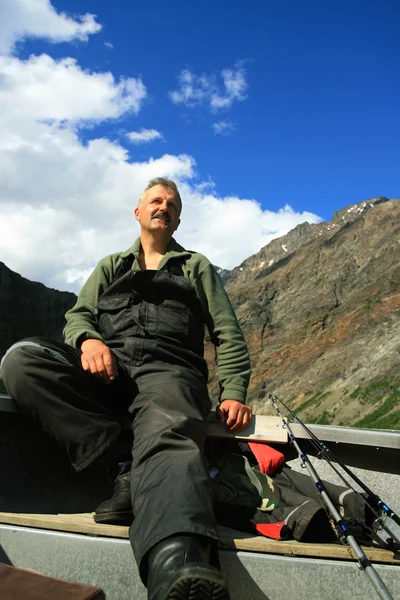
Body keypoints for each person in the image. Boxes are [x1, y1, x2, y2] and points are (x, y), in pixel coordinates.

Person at [1, 177, 252, 600]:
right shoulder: (111, 266)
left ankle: (177, 565)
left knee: (170, 434)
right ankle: (123, 467)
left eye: (172, 205)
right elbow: (77, 318)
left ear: (177, 219)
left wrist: (234, 393)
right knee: (22, 361)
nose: (164, 207)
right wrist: (90, 340)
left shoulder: (195, 266)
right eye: (156, 201)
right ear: (138, 212)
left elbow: (227, 333)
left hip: (169, 372)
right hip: (108, 370)